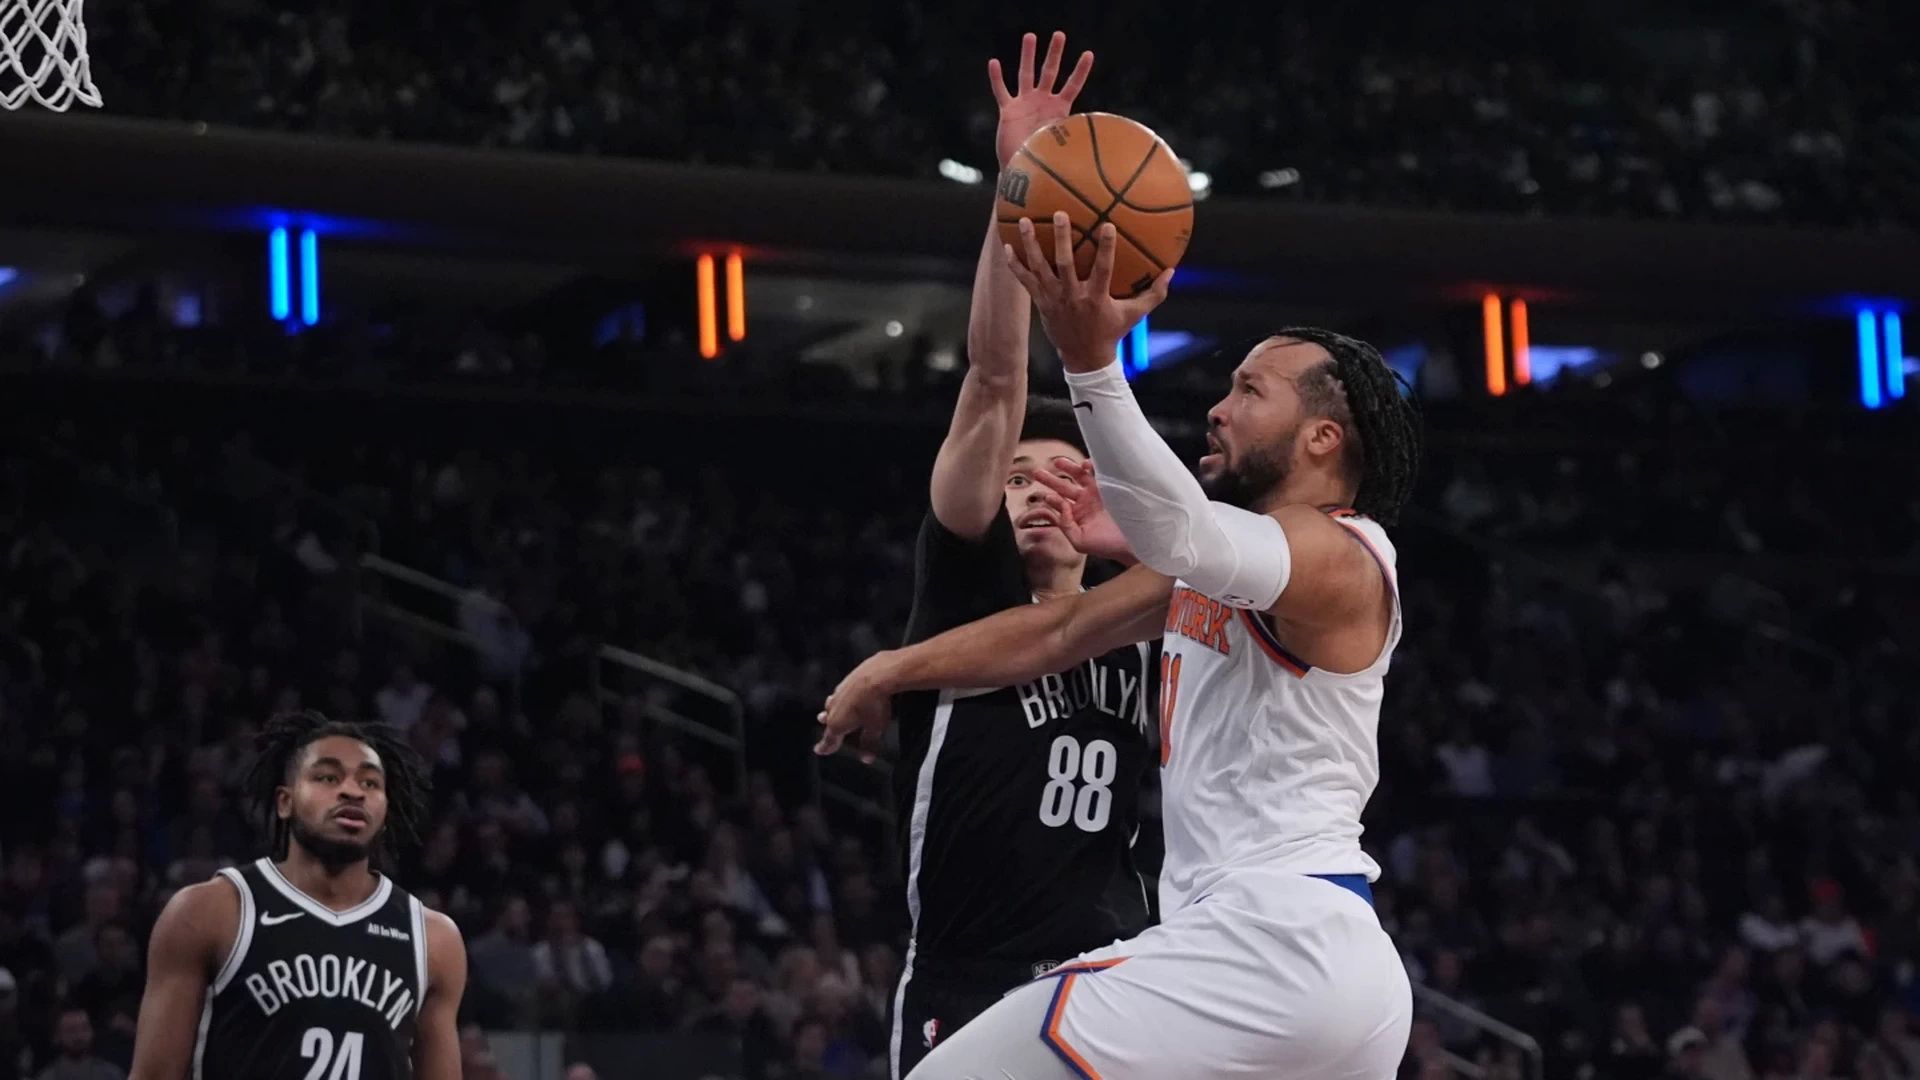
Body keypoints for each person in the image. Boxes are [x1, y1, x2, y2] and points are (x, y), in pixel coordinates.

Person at [819, 220, 1423, 1077]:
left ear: (1322, 437)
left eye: (1250, 391)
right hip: (1320, 969)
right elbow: (1062, 631)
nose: (1218, 407)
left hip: (1266, 941)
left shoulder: (1343, 553)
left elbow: (1190, 536)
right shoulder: (1222, 570)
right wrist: (891, 667)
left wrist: (1091, 361)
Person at [813, 31, 1158, 1080]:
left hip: (1114, 975)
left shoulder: (1146, 609)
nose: (1041, 490)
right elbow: (996, 378)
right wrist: (1024, 186)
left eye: (1066, 475)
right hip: (970, 978)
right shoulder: (963, 589)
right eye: (1020, 477)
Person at [128, 710, 467, 1079]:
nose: (353, 791)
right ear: (284, 802)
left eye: (370, 783)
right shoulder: (211, 911)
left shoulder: (433, 939)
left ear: (384, 812)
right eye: (327, 777)